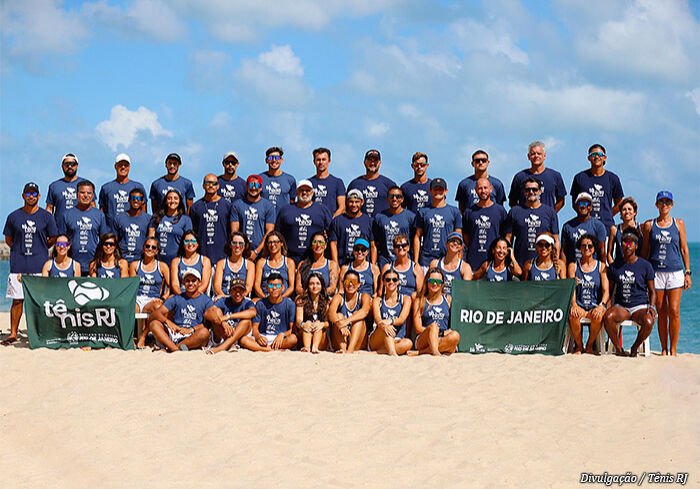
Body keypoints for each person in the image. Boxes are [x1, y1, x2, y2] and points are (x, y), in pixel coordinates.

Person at [3, 182, 57, 345]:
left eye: (34, 194)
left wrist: (40, 248)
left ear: (39, 196)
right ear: (23, 196)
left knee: (39, 301)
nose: (31, 196)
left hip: (39, 265)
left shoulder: (46, 216)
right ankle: (13, 334)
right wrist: (19, 251)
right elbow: (8, 239)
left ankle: (40, 333)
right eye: (28, 193)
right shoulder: (13, 216)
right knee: (17, 300)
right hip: (18, 265)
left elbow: (52, 238)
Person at [641, 191, 692, 356]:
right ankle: (664, 348)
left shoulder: (679, 224)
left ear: (672, 205)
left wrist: (688, 272)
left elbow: (684, 249)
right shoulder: (649, 225)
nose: (664, 205)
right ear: (656, 205)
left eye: (667, 202)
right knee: (661, 312)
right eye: (661, 202)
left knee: (674, 311)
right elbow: (645, 251)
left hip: (675, 272)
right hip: (656, 273)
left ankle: (674, 349)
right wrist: (643, 274)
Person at [604, 232, 656, 357]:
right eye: (624, 243)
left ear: (636, 246)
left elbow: (652, 291)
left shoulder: (645, 266)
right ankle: (618, 349)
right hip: (622, 307)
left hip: (640, 307)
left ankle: (634, 347)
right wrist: (606, 304)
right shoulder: (615, 266)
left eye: (630, 243)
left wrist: (652, 307)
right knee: (608, 317)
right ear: (621, 246)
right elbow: (610, 290)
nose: (627, 246)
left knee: (649, 321)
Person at [148, 268, 218, 352]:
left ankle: (172, 349)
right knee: (154, 324)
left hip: (194, 333)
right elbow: (156, 313)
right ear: (183, 283)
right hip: (177, 332)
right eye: (187, 281)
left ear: (199, 283)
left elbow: (209, 323)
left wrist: (192, 329)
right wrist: (168, 322)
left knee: (204, 332)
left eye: (193, 281)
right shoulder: (177, 298)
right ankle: (175, 348)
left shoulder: (206, 300)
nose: (190, 283)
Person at [567, 234, 609, 354]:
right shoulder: (573, 266)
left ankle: (589, 346)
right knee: (573, 314)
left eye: (590, 246)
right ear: (579, 248)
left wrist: (601, 305)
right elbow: (571, 290)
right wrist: (574, 304)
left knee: (598, 316)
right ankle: (579, 346)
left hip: (594, 306)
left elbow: (606, 291)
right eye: (583, 245)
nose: (586, 248)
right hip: (579, 305)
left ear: (594, 248)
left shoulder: (601, 266)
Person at [505, 177, 560, 267]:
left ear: (540, 191)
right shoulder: (515, 211)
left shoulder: (550, 212)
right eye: (528, 190)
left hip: (543, 266)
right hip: (519, 264)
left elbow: (556, 240)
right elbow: (508, 238)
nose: (531, 192)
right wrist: (509, 260)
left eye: (534, 189)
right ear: (524, 192)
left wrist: (556, 262)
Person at [57, 180, 108, 276]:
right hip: (71, 265)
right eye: (82, 192)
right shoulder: (66, 214)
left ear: (93, 196)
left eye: (89, 193)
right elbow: (61, 241)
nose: (85, 195)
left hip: (92, 265)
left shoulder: (99, 215)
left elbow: (103, 241)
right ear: (77, 194)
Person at [569, 144, 624, 232]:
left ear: (604, 158)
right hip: (584, 227)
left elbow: (620, 203)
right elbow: (574, 202)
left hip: (606, 227)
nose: (597, 157)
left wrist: (608, 214)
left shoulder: (613, 178)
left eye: (599, 154)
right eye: (593, 154)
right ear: (589, 158)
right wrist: (584, 215)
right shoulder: (580, 178)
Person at [275, 179, 332, 263]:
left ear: (312, 192)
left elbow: (331, 233)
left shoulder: (322, 210)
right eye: (301, 190)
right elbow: (278, 233)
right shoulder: (286, 210)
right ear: (296, 192)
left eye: (308, 190)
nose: (304, 192)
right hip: (290, 259)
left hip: (314, 259)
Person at [240, 273, 298, 351]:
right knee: (244, 340)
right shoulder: (260, 304)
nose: (274, 288)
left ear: (283, 288)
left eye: (277, 286)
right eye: (271, 286)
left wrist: (282, 334)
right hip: (264, 337)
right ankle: (270, 349)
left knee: (293, 339)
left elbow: (292, 329)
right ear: (267, 287)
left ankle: (268, 349)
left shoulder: (290, 304)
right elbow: (255, 327)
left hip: (281, 338)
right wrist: (258, 337)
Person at [414, 178, 462, 271]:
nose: (438, 191)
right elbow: (417, 236)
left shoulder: (454, 211)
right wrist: (416, 261)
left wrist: (458, 260)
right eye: (435, 189)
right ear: (430, 191)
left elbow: (459, 238)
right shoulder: (423, 211)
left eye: (441, 189)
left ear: (446, 191)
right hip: (426, 260)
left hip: (447, 260)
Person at [131, 237, 171, 348]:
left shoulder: (162, 266)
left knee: (159, 307)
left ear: (157, 251)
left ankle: (144, 335)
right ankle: (130, 338)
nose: (150, 249)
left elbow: (170, 287)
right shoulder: (135, 265)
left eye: (153, 247)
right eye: (147, 246)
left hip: (153, 298)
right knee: (129, 308)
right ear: (143, 248)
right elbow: (131, 286)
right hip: (137, 297)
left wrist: (163, 298)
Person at [462, 177, 507, 272]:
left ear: (491, 189)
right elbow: (465, 236)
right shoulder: (469, 212)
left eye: (485, 188)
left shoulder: (500, 211)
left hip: (494, 263)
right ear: (475, 190)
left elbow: (504, 235)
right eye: (480, 188)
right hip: (473, 262)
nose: (483, 191)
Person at [412, 268, 460, 355]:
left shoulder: (448, 300)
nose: (435, 284)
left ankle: (422, 352)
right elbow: (418, 328)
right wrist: (437, 332)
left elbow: (454, 323)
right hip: (424, 338)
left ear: (442, 284)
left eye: (438, 282)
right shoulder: (419, 301)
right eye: (432, 281)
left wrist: (441, 335)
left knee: (455, 335)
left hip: (441, 338)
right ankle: (436, 352)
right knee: (434, 326)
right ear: (427, 281)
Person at [508, 141, 566, 212]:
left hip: (547, 221)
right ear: (529, 156)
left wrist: (551, 214)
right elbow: (512, 201)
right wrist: (521, 214)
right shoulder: (520, 177)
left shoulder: (555, 176)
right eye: (533, 154)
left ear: (544, 156)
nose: (536, 156)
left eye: (539, 154)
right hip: (525, 221)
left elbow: (561, 200)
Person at [189, 174, 233, 265]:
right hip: (202, 257)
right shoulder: (196, 207)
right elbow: (193, 232)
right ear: (203, 185)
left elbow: (231, 231)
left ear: (218, 186)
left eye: (214, 183)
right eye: (208, 183)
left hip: (222, 257)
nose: (211, 186)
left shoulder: (227, 205)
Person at [368, 268, 414, 356]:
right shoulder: (378, 300)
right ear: (384, 282)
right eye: (388, 280)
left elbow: (402, 319)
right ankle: (392, 353)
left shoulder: (406, 299)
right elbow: (377, 319)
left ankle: (377, 353)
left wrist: (390, 321)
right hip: (378, 337)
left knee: (408, 343)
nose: (391, 282)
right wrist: (384, 324)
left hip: (396, 338)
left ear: (398, 282)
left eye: (394, 280)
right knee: (387, 328)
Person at [230, 174, 276, 259]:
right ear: (247, 187)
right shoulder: (237, 205)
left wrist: (256, 251)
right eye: (251, 185)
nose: (254, 188)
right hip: (241, 251)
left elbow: (269, 231)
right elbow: (234, 232)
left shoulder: (268, 206)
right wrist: (240, 249)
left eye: (257, 185)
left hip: (262, 253)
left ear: (261, 187)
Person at [98, 153, 147, 233]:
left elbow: (144, 211)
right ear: (115, 166)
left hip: (131, 232)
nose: (123, 167)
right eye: (120, 165)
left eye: (126, 165)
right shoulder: (106, 188)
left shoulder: (138, 186)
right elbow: (102, 212)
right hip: (111, 233)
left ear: (129, 167)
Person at [208, 278, 256, 354]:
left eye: (241, 290)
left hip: (239, 335)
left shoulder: (248, 302)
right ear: (229, 292)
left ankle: (223, 347)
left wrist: (229, 316)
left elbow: (252, 312)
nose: (237, 293)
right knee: (216, 312)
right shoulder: (224, 300)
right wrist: (223, 322)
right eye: (234, 290)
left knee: (246, 321)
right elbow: (209, 312)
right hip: (224, 334)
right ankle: (229, 344)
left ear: (245, 292)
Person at [328, 270, 371, 353]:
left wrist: (346, 321)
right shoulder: (338, 297)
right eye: (348, 281)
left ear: (359, 284)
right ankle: (343, 349)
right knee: (339, 315)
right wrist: (340, 324)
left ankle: (350, 350)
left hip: (358, 341)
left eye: (354, 281)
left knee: (358, 318)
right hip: (340, 339)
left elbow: (365, 311)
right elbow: (331, 314)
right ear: (344, 283)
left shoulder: (364, 296)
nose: (350, 284)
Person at [329, 189, 375, 266]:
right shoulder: (337, 220)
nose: (354, 205)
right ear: (347, 202)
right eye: (351, 201)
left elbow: (373, 246)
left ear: (362, 202)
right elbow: (333, 244)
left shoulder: (369, 221)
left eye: (357, 202)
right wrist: (336, 265)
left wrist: (373, 266)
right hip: (343, 264)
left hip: (363, 265)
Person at [373, 186, 416, 269]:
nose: (394, 199)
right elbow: (376, 242)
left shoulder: (410, 217)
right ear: (387, 199)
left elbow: (415, 239)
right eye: (391, 196)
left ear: (402, 199)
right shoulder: (379, 217)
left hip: (404, 261)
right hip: (385, 261)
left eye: (398, 196)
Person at [46, 153, 93, 228]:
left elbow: (92, 206)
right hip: (60, 230)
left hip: (80, 228)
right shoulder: (54, 186)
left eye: (72, 164)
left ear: (77, 166)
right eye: (67, 164)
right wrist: (48, 228)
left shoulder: (86, 185)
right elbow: (49, 209)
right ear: (62, 166)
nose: (70, 166)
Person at [560, 192, 607, 266]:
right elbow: (563, 251)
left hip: (592, 270)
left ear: (591, 208)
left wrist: (602, 271)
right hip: (572, 270)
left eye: (587, 204)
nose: (584, 206)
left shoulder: (599, 226)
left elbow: (602, 251)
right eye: (581, 204)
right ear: (576, 206)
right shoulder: (567, 226)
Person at [347, 149, 397, 218]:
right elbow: (347, 208)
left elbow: (398, 207)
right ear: (365, 162)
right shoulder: (355, 184)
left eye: (375, 161)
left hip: (382, 226)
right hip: (361, 226)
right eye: (370, 160)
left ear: (379, 163)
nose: (372, 163)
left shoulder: (389, 184)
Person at [148, 189, 193, 266]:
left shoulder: (185, 220)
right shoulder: (156, 217)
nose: (172, 201)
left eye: (176, 198)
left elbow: (189, 241)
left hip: (177, 261)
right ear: (165, 201)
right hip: (158, 261)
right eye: (169, 198)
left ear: (180, 201)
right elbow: (150, 238)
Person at [295, 231, 339, 297]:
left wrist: (317, 296)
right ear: (311, 246)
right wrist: (311, 296)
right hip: (307, 299)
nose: (318, 245)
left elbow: (332, 288)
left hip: (324, 300)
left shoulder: (331, 265)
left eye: (321, 242)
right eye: (315, 242)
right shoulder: (302, 264)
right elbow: (298, 288)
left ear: (325, 246)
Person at [295, 272, 331, 353]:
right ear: (308, 286)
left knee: (318, 323)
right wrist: (304, 324)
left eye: (318, 283)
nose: (315, 286)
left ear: (322, 286)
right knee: (307, 322)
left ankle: (315, 347)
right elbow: (298, 321)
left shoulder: (326, 301)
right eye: (311, 284)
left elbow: (327, 322)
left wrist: (321, 324)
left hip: (320, 337)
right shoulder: (301, 300)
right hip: (305, 334)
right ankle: (307, 347)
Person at [253, 231, 296, 299]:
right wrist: (266, 299)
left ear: (281, 243)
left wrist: (279, 299)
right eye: (270, 242)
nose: (272, 245)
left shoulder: (289, 262)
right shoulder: (261, 262)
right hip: (265, 298)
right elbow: (257, 286)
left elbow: (291, 287)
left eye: (275, 242)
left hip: (283, 298)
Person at [213, 232, 255, 300]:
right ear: (230, 245)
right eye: (234, 243)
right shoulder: (221, 263)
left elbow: (248, 287)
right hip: (224, 297)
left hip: (241, 299)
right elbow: (217, 286)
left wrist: (237, 299)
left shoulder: (250, 265)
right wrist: (225, 298)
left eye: (241, 243)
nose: (237, 246)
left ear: (244, 246)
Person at [114, 188, 151, 263]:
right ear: (128, 200)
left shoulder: (148, 219)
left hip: (140, 261)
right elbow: (115, 240)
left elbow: (150, 241)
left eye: (139, 198)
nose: (136, 200)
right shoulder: (119, 217)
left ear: (143, 201)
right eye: (133, 198)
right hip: (122, 259)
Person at [382, 234, 424, 298]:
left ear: (408, 247)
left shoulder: (416, 268)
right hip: (393, 301)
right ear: (394, 249)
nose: (401, 248)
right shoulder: (387, 267)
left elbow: (420, 293)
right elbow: (381, 291)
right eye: (397, 246)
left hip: (410, 301)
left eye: (404, 245)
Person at [170, 230, 212, 296]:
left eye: (193, 241)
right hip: (180, 296)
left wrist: (192, 297)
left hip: (198, 296)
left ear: (197, 244)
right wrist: (183, 297)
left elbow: (204, 284)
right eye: (186, 241)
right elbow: (175, 284)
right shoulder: (176, 261)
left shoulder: (205, 261)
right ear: (183, 244)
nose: (190, 244)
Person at [308, 147, 346, 218]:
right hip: (313, 224)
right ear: (314, 162)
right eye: (318, 160)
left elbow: (342, 207)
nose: (321, 162)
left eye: (324, 159)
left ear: (329, 161)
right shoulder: (308, 183)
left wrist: (331, 222)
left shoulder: (337, 182)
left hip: (332, 224)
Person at [260, 146, 296, 215]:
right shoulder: (260, 179)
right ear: (266, 160)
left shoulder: (290, 180)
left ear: (281, 160)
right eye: (271, 158)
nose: (274, 160)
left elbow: (292, 202)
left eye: (277, 158)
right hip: (264, 220)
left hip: (283, 221)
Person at [607, 197, 643, 266]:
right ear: (620, 213)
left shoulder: (641, 228)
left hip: (637, 267)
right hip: (620, 268)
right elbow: (609, 253)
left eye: (629, 209)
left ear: (634, 212)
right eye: (624, 210)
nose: (627, 212)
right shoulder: (614, 229)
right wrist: (613, 269)